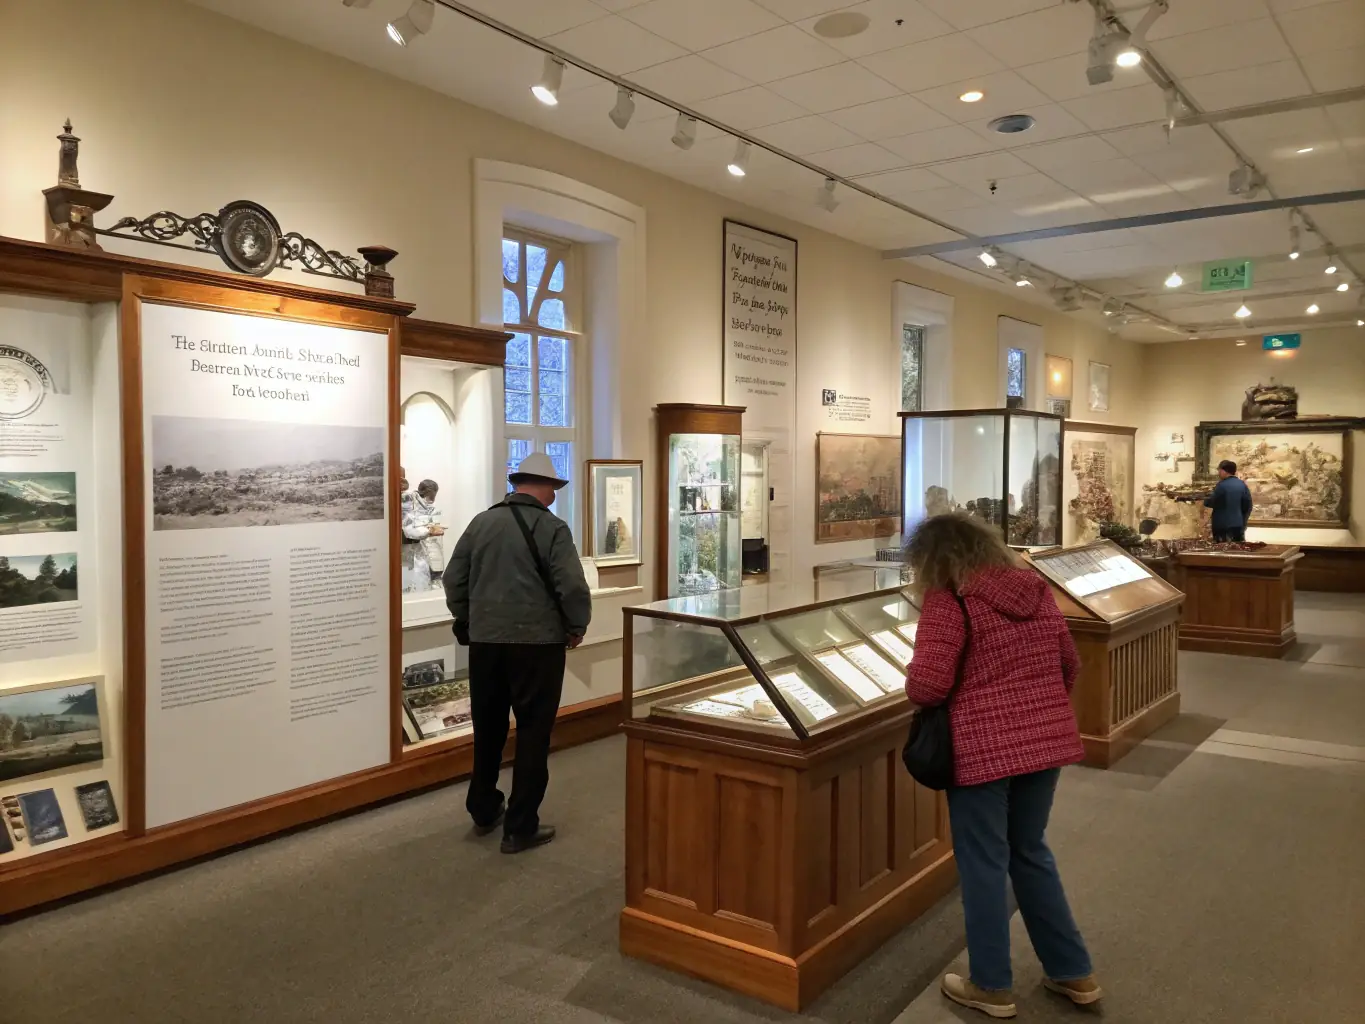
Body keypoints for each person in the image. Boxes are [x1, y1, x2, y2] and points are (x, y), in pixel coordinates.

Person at [903, 513, 1099, 1019]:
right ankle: (1073, 971)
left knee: (983, 864)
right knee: (1030, 851)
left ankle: (991, 985)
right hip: (1047, 742)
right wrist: (1035, 712)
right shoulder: (1034, 590)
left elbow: (927, 686)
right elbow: (1069, 664)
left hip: (982, 749)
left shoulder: (950, 599)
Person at [443, 453, 591, 854]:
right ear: (549, 489)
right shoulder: (552, 528)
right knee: (532, 733)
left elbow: (454, 579)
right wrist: (577, 625)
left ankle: (483, 807)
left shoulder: (481, 523)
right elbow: (571, 586)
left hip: (486, 644)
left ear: (517, 484)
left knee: (488, 728)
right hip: (538, 647)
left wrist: (468, 618)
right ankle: (520, 826)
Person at [401, 478, 445, 592]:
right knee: (411, 587)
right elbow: (409, 529)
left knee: (422, 582)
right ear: (428, 492)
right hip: (407, 550)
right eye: (433, 494)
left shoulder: (420, 502)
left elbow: (420, 522)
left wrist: (431, 527)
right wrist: (429, 531)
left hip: (418, 549)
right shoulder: (408, 499)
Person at [1204, 459, 1253, 542]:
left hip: (1221, 526)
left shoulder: (1221, 486)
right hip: (1238, 525)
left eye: (1219, 470)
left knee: (1222, 548)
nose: (1218, 473)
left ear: (1224, 471)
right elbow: (1248, 506)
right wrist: (1243, 521)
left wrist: (1206, 495)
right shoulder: (1242, 485)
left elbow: (1209, 502)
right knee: (1237, 548)